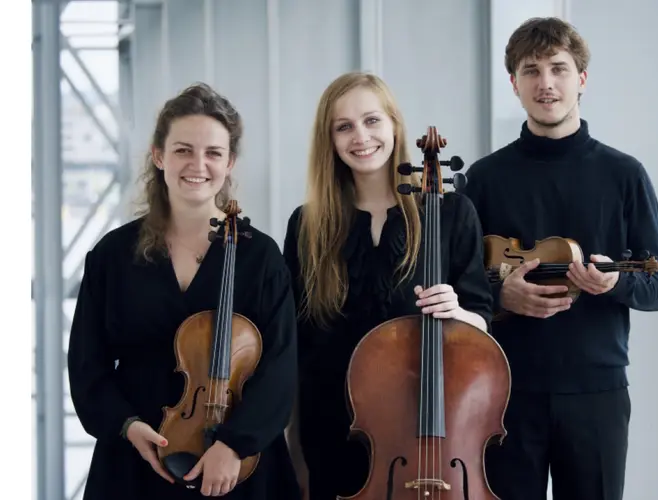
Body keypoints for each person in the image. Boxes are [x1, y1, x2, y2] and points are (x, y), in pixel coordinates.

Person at [460, 17, 658, 500]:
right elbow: (458, 283)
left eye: (558, 68)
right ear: (514, 84)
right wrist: (501, 294)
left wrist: (613, 284)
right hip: (505, 389)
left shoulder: (624, 175)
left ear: (581, 78)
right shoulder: (485, 178)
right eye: (531, 71)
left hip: (596, 391)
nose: (546, 83)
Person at [67, 83, 300, 499]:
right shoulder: (113, 254)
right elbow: (88, 368)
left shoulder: (260, 256)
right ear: (159, 156)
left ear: (229, 163)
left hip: (239, 467)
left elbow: (281, 369)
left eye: (213, 152)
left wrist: (234, 444)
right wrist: (127, 427)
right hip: (135, 463)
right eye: (182, 150)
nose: (198, 164)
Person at [282, 71, 495, 500]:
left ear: (394, 124)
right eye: (344, 127)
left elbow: (482, 321)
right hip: (330, 431)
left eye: (372, 120)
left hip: (423, 431)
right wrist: (294, 450)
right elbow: (296, 347)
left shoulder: (451, 212)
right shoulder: (308, 224)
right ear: (330, 140)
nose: (360, 136)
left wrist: (459, 312)